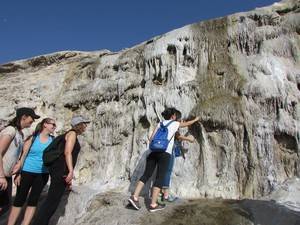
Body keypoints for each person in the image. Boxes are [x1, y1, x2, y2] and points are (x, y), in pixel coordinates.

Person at [128, 107, 199, 212]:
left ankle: (134, 197)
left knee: (146, 174)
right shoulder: (174, 124)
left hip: (153, 151)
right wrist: (195, 120)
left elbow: (151, 138)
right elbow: (187, 124)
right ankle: (153, 204)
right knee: (159, 178)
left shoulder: (160, 124)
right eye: (176, 116)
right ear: (173, 116)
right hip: (164, 153)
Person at [32, 115, 90, 225]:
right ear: (79, 125)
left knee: (52, 201)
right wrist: (71, 171)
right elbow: (67, 152)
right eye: (84, 123)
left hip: (59, 170)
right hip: (60, 171)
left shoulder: (70, 134)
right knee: (51, 202)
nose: (85, 126)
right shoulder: (72, 134)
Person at [7, 118, 56, 225]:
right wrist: (18, 173)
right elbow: (22, 156)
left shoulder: (53, 140)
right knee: (19, 199)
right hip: (27, 172)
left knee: (33, 201)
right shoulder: (32, 138)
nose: (54, 126)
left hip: (43, 174)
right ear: (45, 125)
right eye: (53, 124)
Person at [0, 107, 40, 216]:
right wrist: (1, 176)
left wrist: (17, 173)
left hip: (7, 176)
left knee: (6, 205)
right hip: (1, 175)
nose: (33, 121)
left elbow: (15, 156)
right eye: (32, 118)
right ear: (24, 117)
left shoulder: (20, 134)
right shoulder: (10, 130)